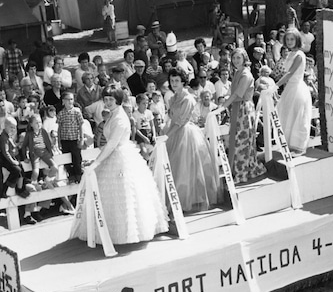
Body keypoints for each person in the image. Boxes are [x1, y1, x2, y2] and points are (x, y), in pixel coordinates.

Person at [70, 88, 168, 245]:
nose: (108, 102)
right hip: (112, 155)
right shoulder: (113, 115)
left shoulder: (120, 119)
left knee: (125, 196)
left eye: (111, 99)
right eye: (106, 99)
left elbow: (111, 145)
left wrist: (96, 162)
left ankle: (124, 234)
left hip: (121, 157)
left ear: (118, 100)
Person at [163, 69, 219, 212]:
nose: (173, 83)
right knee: (177, 166)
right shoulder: (173, 97)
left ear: (183, 81)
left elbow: (181, 121)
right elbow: (172, 117)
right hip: (173, 131)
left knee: (186, 166)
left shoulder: (188, 99)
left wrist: (167, 135)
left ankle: (191, 199)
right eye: (172, 80)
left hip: (185, 133)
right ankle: (178, 198)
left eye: (176, 80)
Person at [221, 48, 266, 184]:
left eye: (238, 58)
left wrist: (223, 106)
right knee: (238, 140)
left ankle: (242, 174)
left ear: (244, 59)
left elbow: (238, 94)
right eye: (234, 58)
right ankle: (246, 169)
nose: (236, 61)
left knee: (242, 141)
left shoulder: (246, 74)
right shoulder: (237, 72)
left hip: (244, 108)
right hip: (236, 108)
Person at [276, 28, 312, 155]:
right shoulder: (290, 54)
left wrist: (275, 86)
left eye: (292, 39)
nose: (290, 41)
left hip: (298, 88)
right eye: (287, 39)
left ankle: (299, 147)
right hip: (289, 89)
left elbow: (291, 73)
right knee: (288, 116)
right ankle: (290, 145)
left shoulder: (299, 55)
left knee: (298, 117)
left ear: (297, 40)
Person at [22, 114, 58, 184]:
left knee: (55, 168)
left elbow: (48, 143)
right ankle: (33, 184)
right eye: (36, 122)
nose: (38, 124)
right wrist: (25, 157)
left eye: (40, 122)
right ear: (31, 124)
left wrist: (50, 152)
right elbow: (24, 146)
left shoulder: (43, 131)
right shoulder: (29, 134)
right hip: (34, 153)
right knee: (35, 172)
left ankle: (46, 181)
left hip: (44, 152)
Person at [57, 92, 84, 183]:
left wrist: (81, 139)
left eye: (71, 99)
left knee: (77, 159)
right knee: (67, 160)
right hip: (65, 140)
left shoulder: (77, 111)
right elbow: (59, 128)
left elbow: (80, 126)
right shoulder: (61, 113)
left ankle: (78, 175)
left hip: (75, 139)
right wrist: (59, 141)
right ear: (63, 101)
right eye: (68, 99)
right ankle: (71, 175)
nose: (70, 101)